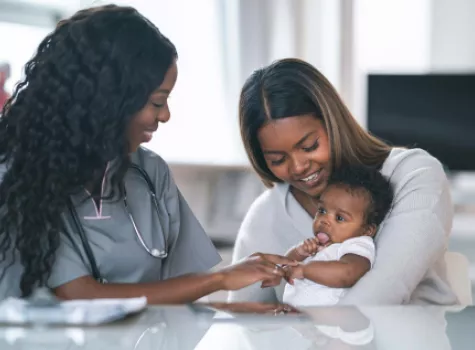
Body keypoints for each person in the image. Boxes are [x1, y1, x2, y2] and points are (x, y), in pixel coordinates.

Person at [0, 5, 296, 302]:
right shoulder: (24, 176)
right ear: (110, 99)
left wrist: (241, 313)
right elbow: (79, 295)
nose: (165, 115)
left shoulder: (151, 172)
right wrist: (220, 279)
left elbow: (182, 293)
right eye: (157, 102)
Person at [230, 58, 458, 305]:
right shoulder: (266, 215)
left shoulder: (414, 175)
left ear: (333, 123)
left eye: (309, 146)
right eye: (277, 159)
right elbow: (242, 320)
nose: (298, 167)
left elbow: (383, 292)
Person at [282, 166, 394, 306]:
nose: (324, 220)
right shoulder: (320, 246)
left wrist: (305, 270)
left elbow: (348, 273)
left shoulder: (356, 245)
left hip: (327, 323)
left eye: (340, 218)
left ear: (367, 230)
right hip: (296, 318)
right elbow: (284, 264)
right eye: (322, 210)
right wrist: (299, 252)